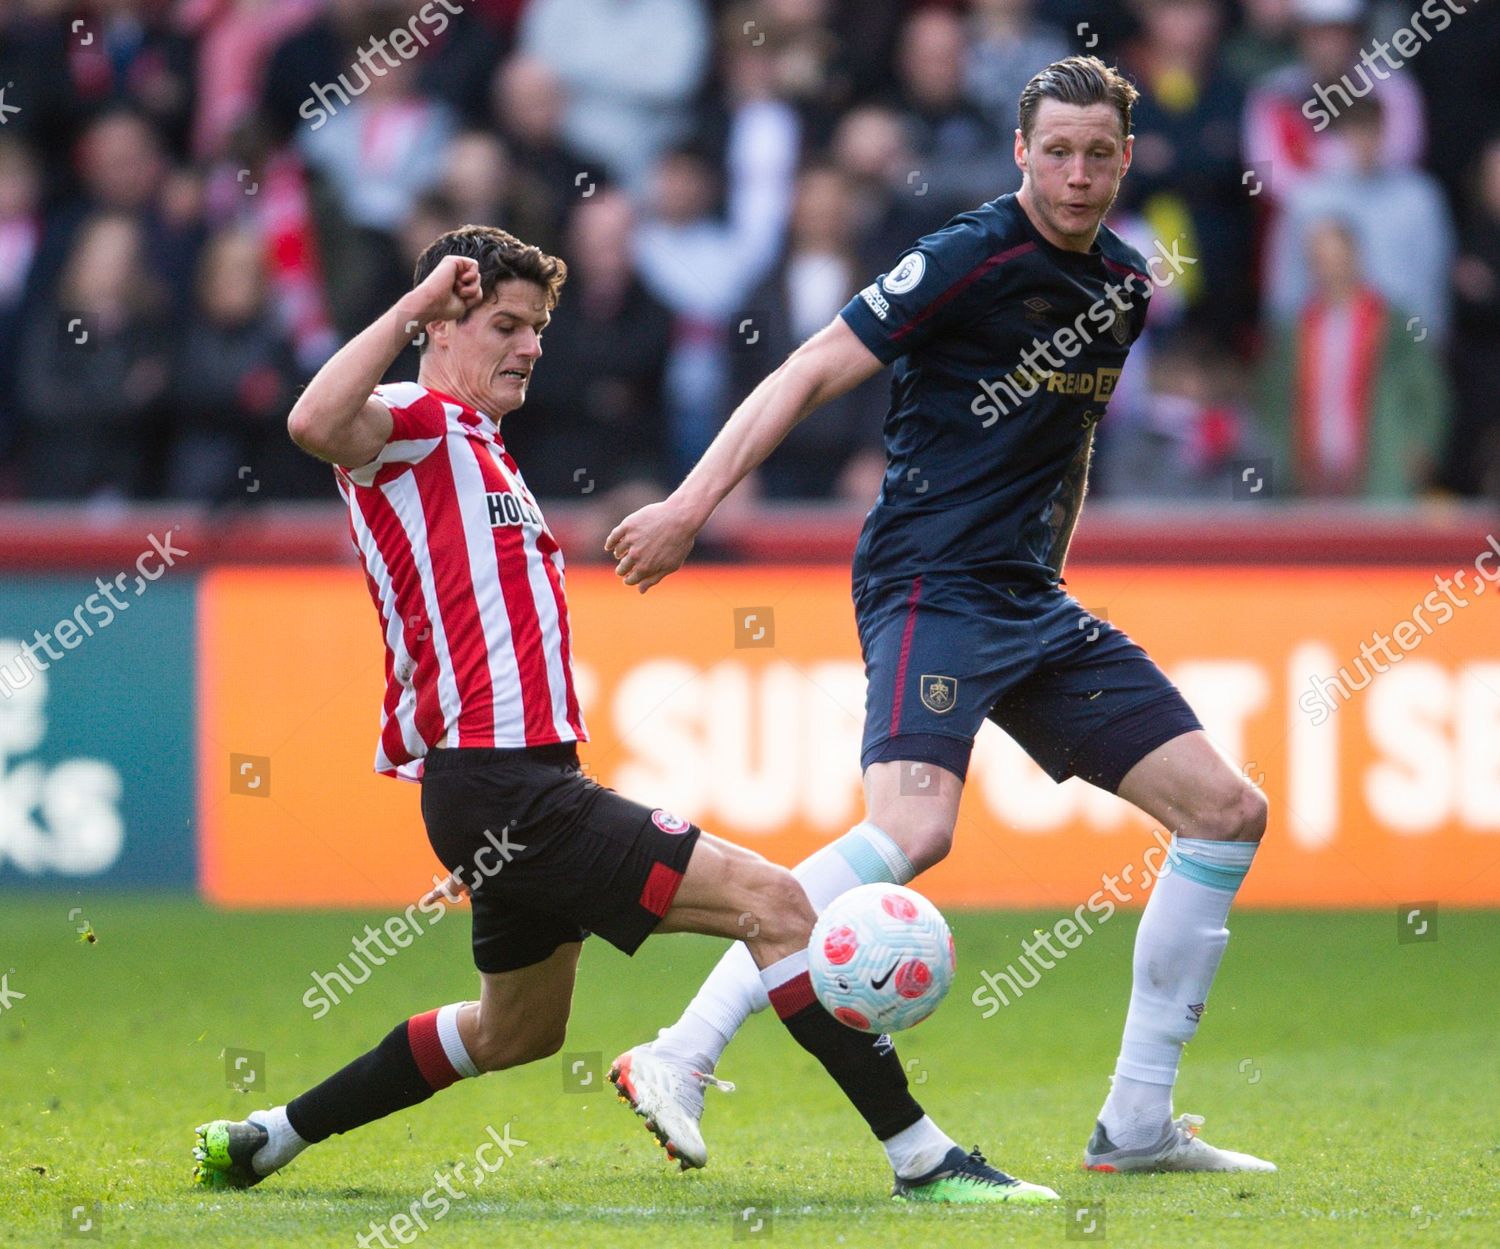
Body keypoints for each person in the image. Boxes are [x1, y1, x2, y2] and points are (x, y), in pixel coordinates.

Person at [190, 224, 1056, 1205]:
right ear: (440, 323)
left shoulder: (477, 444)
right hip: (500, 781)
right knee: (777, 905)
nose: (530, 346)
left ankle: (270, 1136)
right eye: (507, 325)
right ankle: (922, 1157)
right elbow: (311, 421)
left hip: (514, 786)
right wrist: (408, 307)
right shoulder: (409, 419)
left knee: (518, 1030)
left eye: (540, 329)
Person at [605, 56, 1277, 1176]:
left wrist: (1052, 578)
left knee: (1225, 809)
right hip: (930, 578)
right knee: (915, 829)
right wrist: (686, 503)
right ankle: (681, 1048)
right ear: (1020, 153)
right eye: (1055, 151)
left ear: (1125, 159)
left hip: (1029, 598)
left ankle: (1139, 1124)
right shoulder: (967, 255)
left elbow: (1074, 448)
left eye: (1098, 153)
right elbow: (811, 369)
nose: (1076, 173)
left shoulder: (1123, 282)